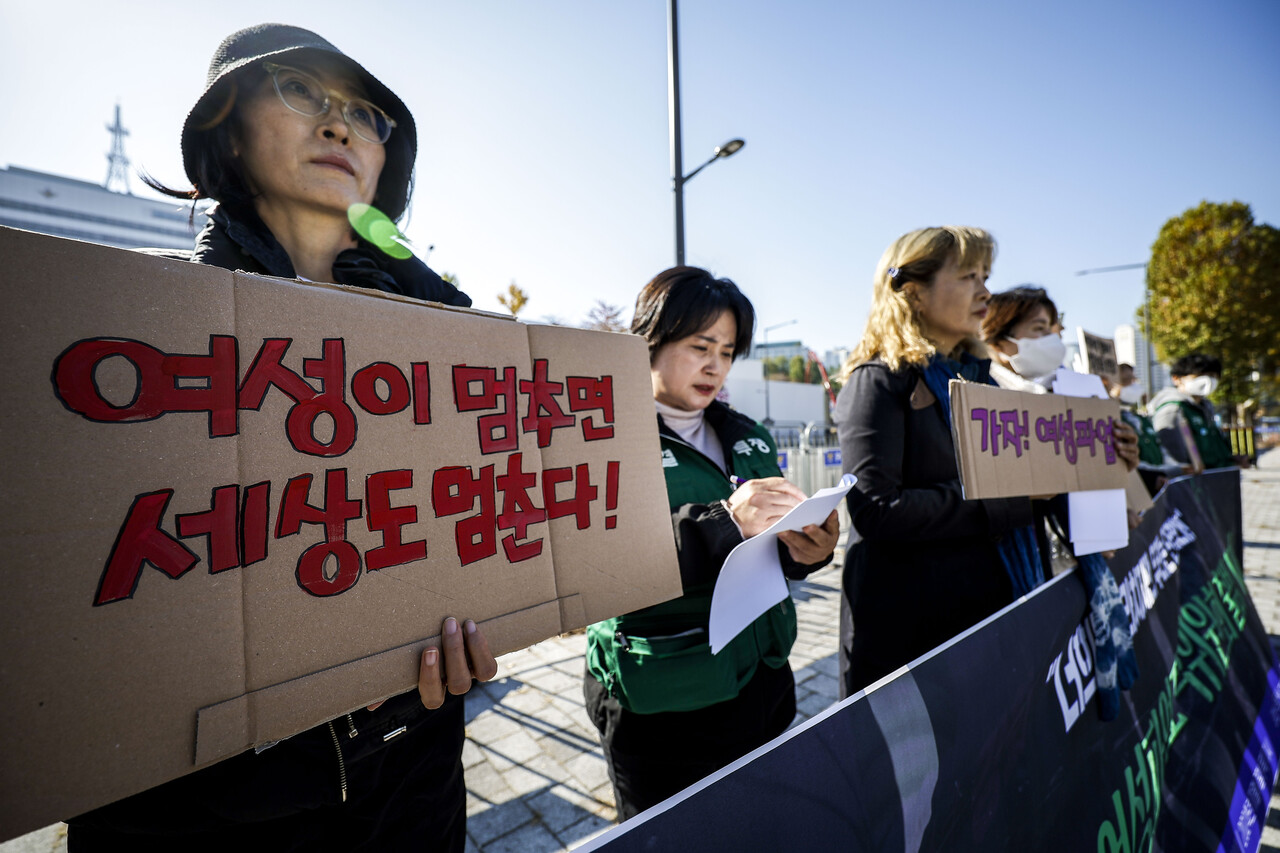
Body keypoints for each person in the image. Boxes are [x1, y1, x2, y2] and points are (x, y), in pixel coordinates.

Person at [66, 24, 497, 852]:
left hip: (415, 780)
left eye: (366, 113)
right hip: (208, 810)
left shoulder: (454, 341)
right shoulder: (131, 340)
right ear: (225, 125)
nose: (340, 126)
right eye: (302, 92)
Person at [583, 266, 839, 820]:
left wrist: (806, 551)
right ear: (649, 340)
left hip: (761, 677)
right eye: (700, 346)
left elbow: (770, 545)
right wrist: (722, 522)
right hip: (663, 697)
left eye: (726, 352)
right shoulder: (598, 435)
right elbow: (594, 567)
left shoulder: (748, 434)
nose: (715, 366)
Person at [833, 226, 1043, 698]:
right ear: (912, 292)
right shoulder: (879, 381)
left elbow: (1033, 488)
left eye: (986, 275)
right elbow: (875, 509)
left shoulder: (985, 384)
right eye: (969, 275)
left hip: (983, 619)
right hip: (908, 643)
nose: (986, 291)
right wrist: (1009, 499)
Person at [1151, 354, 1247, 469]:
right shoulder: (1172, 409)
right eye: (1199, 375)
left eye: (1212, 376)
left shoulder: (1205, 408)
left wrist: (1231, 457)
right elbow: (1173, 456)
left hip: (1219, 476)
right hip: (1198, 482)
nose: (1208, 381)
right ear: (1177, 379)